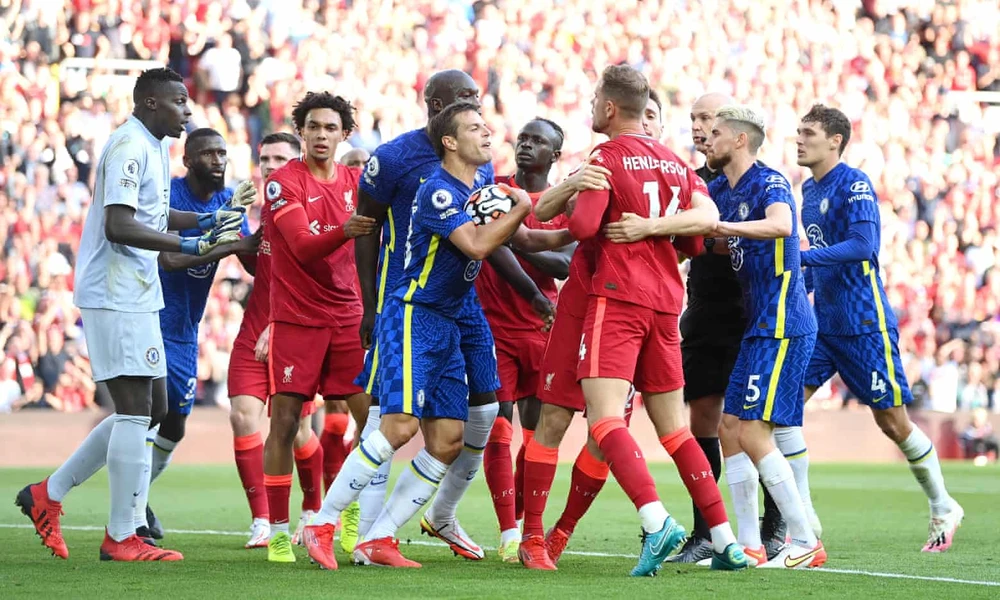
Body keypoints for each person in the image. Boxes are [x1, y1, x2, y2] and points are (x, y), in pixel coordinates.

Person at [15, 67, 242, 561]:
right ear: (150, 103)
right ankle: (121, 535)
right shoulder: (128, 145)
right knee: (137, 411)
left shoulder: (154, 146)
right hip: (114, 290)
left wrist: (210, 219)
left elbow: (155, 215)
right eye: (179, 101)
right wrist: (190, 244)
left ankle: (48, 493)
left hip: (138, 291)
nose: (187, 110)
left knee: (154, 407)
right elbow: (118, 225)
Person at [303, 100, 535, 570]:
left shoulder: (478, 184)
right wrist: (525, 205)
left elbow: (521, 226)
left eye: (486, 125)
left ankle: (379, 537)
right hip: (413, 313)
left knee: (448, 438)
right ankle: (322, 523)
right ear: (450, 141)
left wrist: (569, 189)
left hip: (448, 319)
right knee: (398, 426)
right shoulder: (439, 191)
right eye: (474, 127)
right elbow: (478, 245)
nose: (486, 133)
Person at [562, 65, 745, 576]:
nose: (592, 106)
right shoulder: (676, 163)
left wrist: (580, 196)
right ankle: (725, 539)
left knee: (604, 419)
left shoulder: (605, 157)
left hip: (618, 298)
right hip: (667, 304)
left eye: (595, 99)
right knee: (676, 432)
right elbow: (697, 239)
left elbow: (582, 226)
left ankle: (655, 518)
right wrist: (657, 229)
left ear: (610, 107)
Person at [796, 104, 963, 552]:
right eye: (798, 131)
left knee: (892, 421)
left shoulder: (854, 184)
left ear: (835, 140)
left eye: (808, 132)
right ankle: (801, 521)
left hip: (864, 324)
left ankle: (943, 504)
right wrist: (798, 284)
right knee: (783, 410)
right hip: (823, 326)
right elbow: (820, 257)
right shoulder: (807, 191)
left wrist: (803, 259)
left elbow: (864, 246)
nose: (799, 139)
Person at [527, 91, 664, 567]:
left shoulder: (672, 175)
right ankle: (531, 535)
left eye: (653, 116)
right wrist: (573, 183)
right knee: (553, 418)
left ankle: (562, 531)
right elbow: (561, 224)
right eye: (642, 114)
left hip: (635, 311)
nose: (645, 123)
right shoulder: (600, 164)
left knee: (604, 434)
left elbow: (695, 239)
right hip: (583, 304)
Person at [705, 104, 823, 569]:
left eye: (716, 132)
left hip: (783, 322)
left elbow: (782, 225)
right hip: (758, 324)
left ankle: (804, 539)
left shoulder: (768, 181)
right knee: (729, 427)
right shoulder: (719, 188)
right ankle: (750, 543)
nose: (707, 138)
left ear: (740, 140)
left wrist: (722, 227)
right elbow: (713, 237)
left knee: (753, 429)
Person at [261, 92, 376, 563]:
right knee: (286, 422)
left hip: (347, 316)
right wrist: (347, 228)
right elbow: (304, 246)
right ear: (301, 132)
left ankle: (348, 512)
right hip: (297, 318)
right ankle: (276, 532)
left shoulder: (356, 182)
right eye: (313, 127)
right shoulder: (282, 182)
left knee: (373, 422)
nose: (321, 135)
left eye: (331, 128)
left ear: (344, 134)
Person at [136, 128, 257, 543]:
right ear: (187, 160)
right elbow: (169, 259)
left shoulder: (229, 200)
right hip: (154, 320)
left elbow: (249, 259)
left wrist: (262, 239)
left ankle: (137, 496)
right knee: (149, 414)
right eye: (208, 154)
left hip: (186, 330)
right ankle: (131, 510)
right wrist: (231, 246)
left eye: (222, 153)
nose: (218, 160)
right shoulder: (169, 196)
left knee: (176, 425)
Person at [478, 118, 575, 562]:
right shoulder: (495, 190)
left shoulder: (563, 203)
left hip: (542, 329)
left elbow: (565, 264)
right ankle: (507, 531)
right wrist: (530, 256)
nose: (527, 145)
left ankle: (519, 518)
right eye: (523, 138)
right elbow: (489, 247)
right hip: (492, 325)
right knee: (497, 425)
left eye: (538, 141)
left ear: (555, 154)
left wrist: (513, 237)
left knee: (536, 431)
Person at [227, 132, 330, 549]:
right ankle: (262, 521)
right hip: (256, 326)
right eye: (264, 158)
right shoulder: (265, 209)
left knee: (295, 429)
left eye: (279, 159)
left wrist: (281, 322)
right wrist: (235, 221)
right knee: (241, 416)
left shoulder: (308, 204)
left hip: (294, 327)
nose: (270, 166)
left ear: (298, 160)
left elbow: (315, 272)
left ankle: (312, 507)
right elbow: (259, 267)